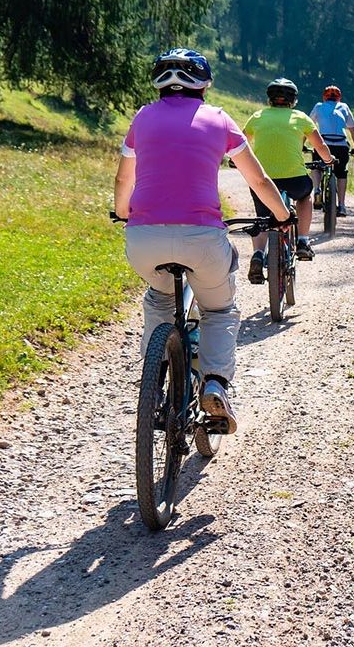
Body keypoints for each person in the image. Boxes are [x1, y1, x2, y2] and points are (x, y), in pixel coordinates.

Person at [113, 48, 291, 435]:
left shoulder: (142, 118)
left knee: (159, 298)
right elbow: (258, 181)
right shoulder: (219, 119)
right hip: (203, 239)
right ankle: (214, 384)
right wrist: (283, 216)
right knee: (220, 310)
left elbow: (123, 180)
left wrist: (123, 212)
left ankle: (155, 379)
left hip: (144, 240)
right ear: (204, 84)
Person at [242, 78, 334, 282]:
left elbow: (242, 144)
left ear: (270, 99)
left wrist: (237, 163)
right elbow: (320, 147)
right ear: (293, 100)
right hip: (295, 180)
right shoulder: (301, 117)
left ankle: (258, 255)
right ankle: (302, 241)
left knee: (263, 217)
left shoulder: (257, 117)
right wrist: (328, 160)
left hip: (264, 180)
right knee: (305, 197)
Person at [308, 85, 354, 217]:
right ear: (339, 98)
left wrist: (302, 145)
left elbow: (308, 126)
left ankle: (316, 190)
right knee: (342, 173)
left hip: (324, 143)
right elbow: (353, 129)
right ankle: (342, 205)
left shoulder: (319, 106)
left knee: (316, 165)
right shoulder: (344, 107)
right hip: (341, 145)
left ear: (324, 97)